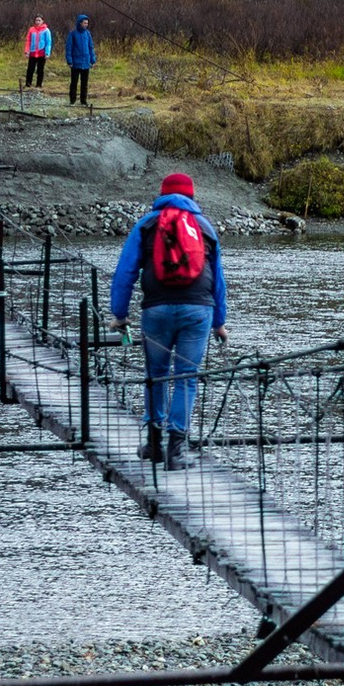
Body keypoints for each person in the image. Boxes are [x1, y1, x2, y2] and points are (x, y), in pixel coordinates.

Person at [109, 171, 227, 471]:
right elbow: (218, 282)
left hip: (156, 310)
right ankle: (176, 452)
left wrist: (119, 315)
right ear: (192, 195)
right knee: (186, 376)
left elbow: (125, 273)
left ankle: (153, 444)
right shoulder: (205, 227)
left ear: (162, 194)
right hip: (197, 311)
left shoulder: (146, 224)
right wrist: (219, 322)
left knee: (156, 374)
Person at [64, 13, 97, 108]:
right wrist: (69, 61)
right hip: (75, 62)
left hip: (86, 62)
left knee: (84, 83)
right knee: (74, 82)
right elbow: (68, 48)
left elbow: (91, 47)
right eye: (84, 23)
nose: (86, 25)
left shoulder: (87, 33)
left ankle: (83, 100)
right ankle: (72, 100)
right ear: (80, 23)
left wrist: (92, 60)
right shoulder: (73, 34)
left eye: (87, 23)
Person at [22, 14, 53, 91]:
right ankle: (28, 84)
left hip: (41, 53)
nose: (38, 22)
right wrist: (27, 51)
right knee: (30, 69)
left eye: (39, 20)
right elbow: (28, 41)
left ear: (42, 21)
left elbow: (48, 42)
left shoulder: (46, 30)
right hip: (32, 53)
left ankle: (39, 85)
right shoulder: (31, 29)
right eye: (36, 20)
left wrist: (47, 53)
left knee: (40, 70)